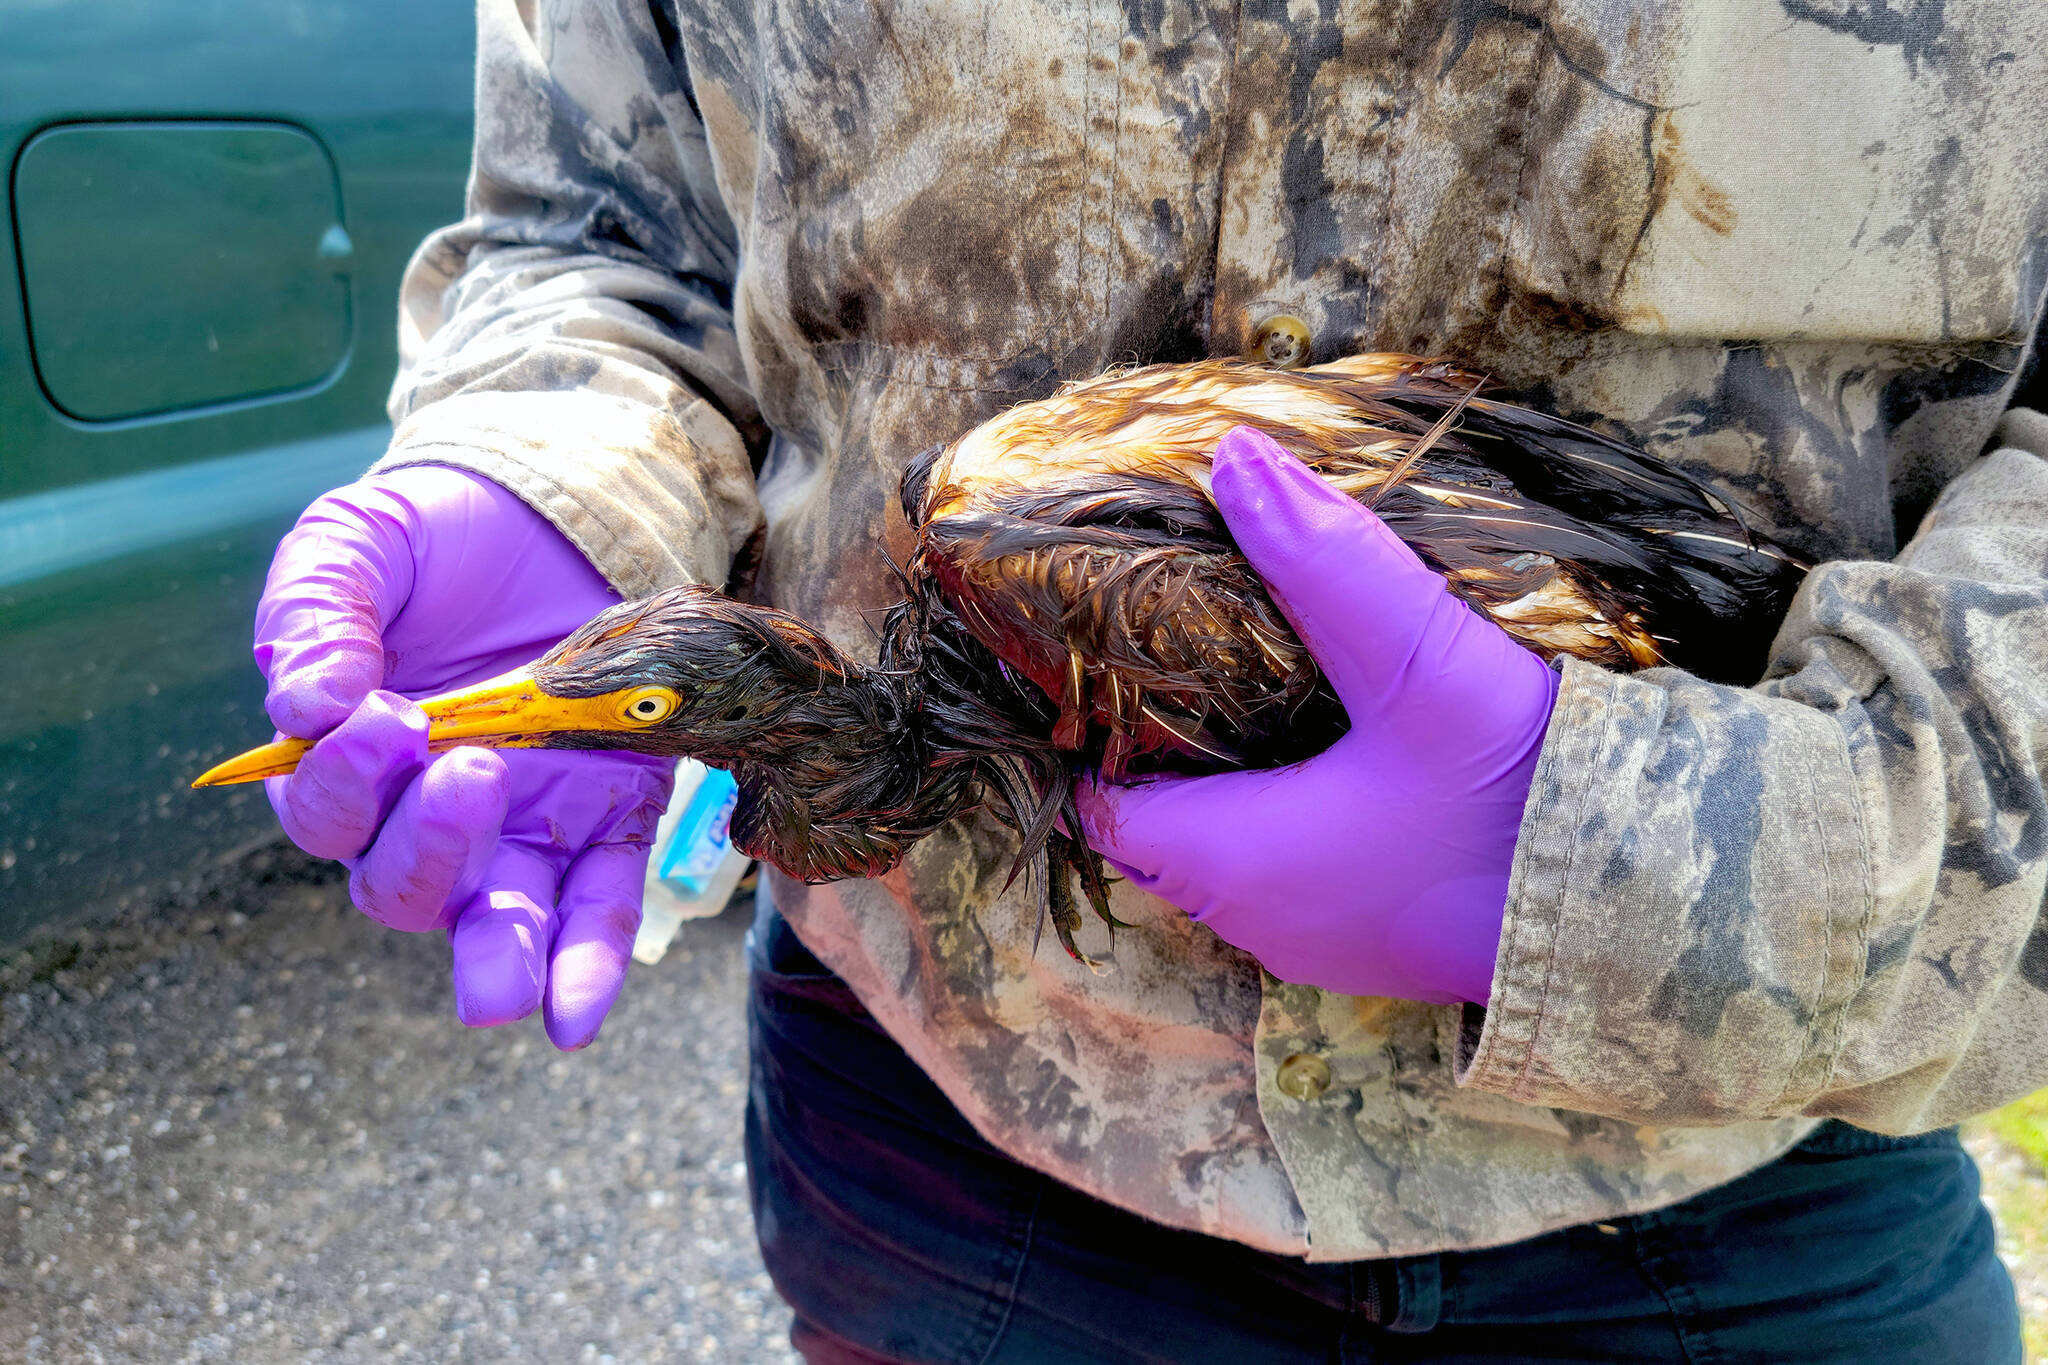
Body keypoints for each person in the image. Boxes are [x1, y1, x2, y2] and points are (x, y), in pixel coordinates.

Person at [249, 2, 2048, 1359]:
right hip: (952, 1169)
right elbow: (612, 234)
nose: (579, 709)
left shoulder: (1032, 585)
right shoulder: (960, 622)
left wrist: (1659, 859)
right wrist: (560, 479)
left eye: (633, 708)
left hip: (1736, 1184)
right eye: (631, 711)